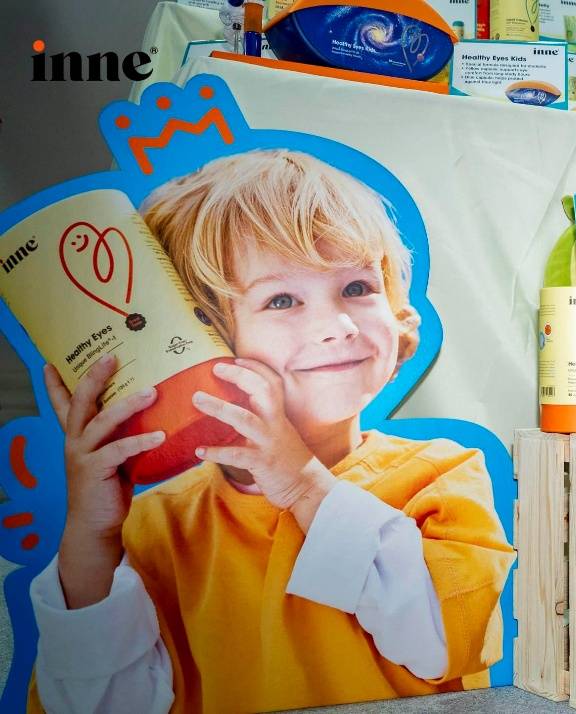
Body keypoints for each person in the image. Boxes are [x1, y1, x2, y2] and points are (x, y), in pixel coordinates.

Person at [29, 150, 515, 712]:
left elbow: (444, 644)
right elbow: (105, 705)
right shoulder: (154, 528)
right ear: (199, 338)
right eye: (282, 299)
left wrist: (303, 484)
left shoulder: (441, 477)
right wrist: (91, 542)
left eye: (357, 287)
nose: (337, 326)